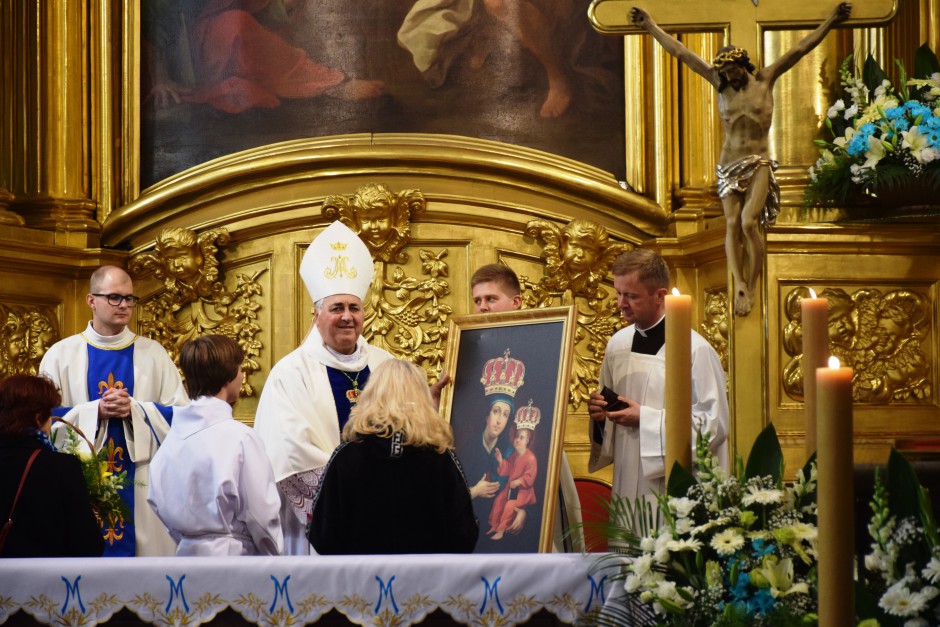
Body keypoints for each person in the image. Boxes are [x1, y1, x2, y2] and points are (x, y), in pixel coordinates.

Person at [630, 3, 852, 317]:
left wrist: (831, 20)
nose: (729, 76)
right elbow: (680, 52)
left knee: (749, 223)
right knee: (732, 225)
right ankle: (740, 284)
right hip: (728, 165)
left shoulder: (765, 79)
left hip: (759, 162)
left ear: (742, 65)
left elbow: (801, 48)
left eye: (733, 71)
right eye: (724, 73)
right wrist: (650, 26)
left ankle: (753, 278)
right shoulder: (719, 85)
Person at [254, 221, 394, 555]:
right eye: (337, 308)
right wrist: (353, 494)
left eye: (354, 308)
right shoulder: (290, 372)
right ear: (317, 315)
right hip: (322, 525)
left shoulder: (387, 364)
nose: (347, 317)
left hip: (386, 514)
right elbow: (290, 451)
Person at [39, 265, 187, 557]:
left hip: (142, 486)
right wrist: (96, 411)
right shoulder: (61, 354)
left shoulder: (154, 353)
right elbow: (42, 421)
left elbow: (181, 415)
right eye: (115, 298)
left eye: (130, 299)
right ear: (91, 300)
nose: (125, 306)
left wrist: (136, 410)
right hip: (80, 484)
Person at [587, 249, 729, 510]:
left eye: (631, 296)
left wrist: (646, 419)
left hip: (671, 491)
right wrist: (599, 416)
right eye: (618, 293)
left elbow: (714, 425)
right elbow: (609, 421)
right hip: (626, 484)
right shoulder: (617, 345)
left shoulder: (695, 350)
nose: (620, 304)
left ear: (660, 295)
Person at [467, 263, 582, 551]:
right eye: (477, 301)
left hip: (535, 466)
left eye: (491, 299)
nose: (482, 307)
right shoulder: (467, 349)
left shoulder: (542, 347)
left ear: (516, 302)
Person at [308, 359, 477, 554]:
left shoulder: (345, 456)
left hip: (362, 580)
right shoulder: (440, 457)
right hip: (427, 581)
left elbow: (322, 536)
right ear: (422, 398)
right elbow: (466, 534)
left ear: (371, 395)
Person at [147, 335, 282, 556]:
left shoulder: (171, 440)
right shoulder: (241, 438)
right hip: (234, 559)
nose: (242, 376)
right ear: (228, 376)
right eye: (240, 369)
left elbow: (157, 501)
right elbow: (261, 514)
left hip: (186, 558)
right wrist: (275, 557)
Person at [0, 374, 104, 558]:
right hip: (44, 583)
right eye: (50, 415)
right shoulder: (61, 468)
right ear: (38, 418)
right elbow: (88, 545)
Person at [488, 401, 540, 541]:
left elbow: (530, 478)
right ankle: (494, 525)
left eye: (521, 438)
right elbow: (507, 469)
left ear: (528, 441)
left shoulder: (530, 458)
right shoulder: (514, 454)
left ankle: (500, 530)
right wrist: (500, 461)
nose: (517, 440)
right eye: (517, 436)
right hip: (510, 489)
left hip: (523, 493)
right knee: (499, 501)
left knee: (509, 506)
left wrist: (519, 481)